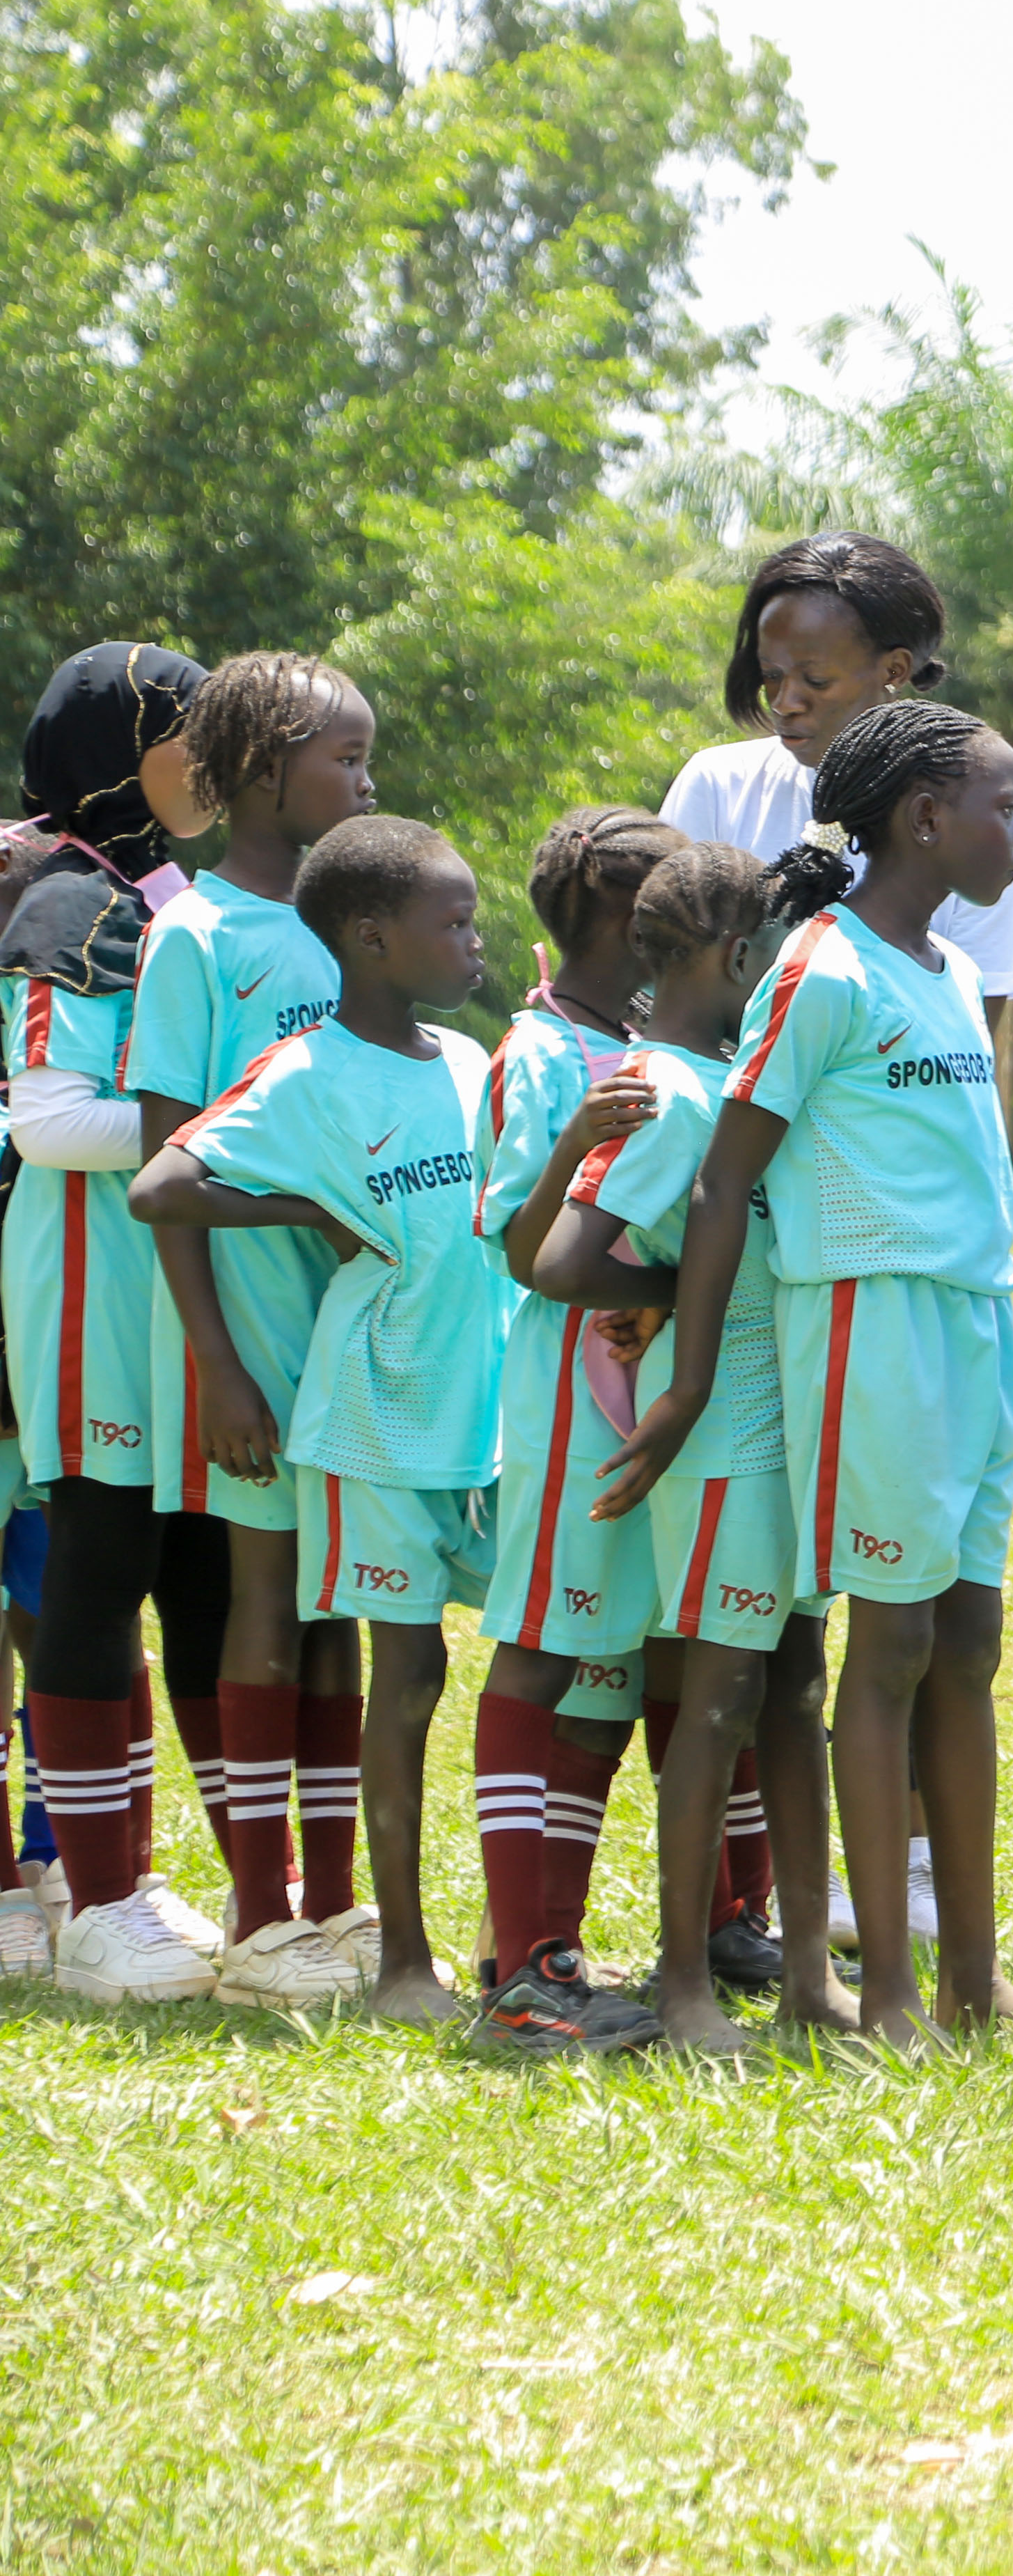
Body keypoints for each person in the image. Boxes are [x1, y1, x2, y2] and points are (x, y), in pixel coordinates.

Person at [599, 698, 1013, 2049]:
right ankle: (884, 1991)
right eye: (1004, 807)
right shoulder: (820, 968)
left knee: (970, 1641)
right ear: (921, 818)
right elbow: (728, 1179)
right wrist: (681, 1385)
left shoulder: (952, 975)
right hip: (869, 1315)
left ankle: (973, 1974)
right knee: (889, 1643)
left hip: (980, 1318)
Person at [132, 815, 518, 2029]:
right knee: (407, 1668)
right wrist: (313, 1200)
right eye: (452, 923)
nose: (474, 941)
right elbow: (164, 1182)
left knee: (526, 1657)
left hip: (485, 1418)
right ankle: (402, 1964)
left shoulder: (466, 1062)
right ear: (370, 937)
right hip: (373, 1420)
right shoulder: (306, 1069)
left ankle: (517, 1938)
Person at [522, 838, 849, 2052]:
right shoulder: (667, 1087)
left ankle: (811, 1975)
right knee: (714, 1699)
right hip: (711, 1433)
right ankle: (684, 1984)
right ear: (735, 954)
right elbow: (560, 1261)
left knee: (795, 1684)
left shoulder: (729, 1076)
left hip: (785, 1419)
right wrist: (681, 1285)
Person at [118, 654, 384, 2000]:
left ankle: (341, 1906)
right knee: (264, 1603)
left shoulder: (358, 928)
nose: (367, 785)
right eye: (347, 760)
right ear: (269, 766)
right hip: (248, 1334)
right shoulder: (198, 937)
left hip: (362, 1332)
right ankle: (261, 1907)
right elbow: (166, 1164)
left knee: (342, 1606)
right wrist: (215, 1361)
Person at [471, 806, 764, 2007]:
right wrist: (666, 1291)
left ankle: (714, 1917)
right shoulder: (544, 1057)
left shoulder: (676, 1054)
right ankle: (523, 1952)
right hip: (571, 1403)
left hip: (652, 1402)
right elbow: (524, 1249)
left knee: (653, 1660)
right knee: (548, 1654)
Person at [6, 643, 245, 2004]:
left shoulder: (165, 893)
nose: (213, 761)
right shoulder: (62, 902)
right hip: (93, 1279)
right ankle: (96, 1904)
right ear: (114, 749)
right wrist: (241, 1120)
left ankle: (225, 1897)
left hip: (174, 1288)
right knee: (97, 1565)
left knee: (203, 1571)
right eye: (186, 733)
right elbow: (47, 1123)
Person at [661, 534, 1013, 1032]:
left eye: (816, 681)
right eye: (771, 675)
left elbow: (964, 1048)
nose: (784, 702)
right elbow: (661, 991)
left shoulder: (986, 825)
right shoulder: (715, 787)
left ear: (894, 669)